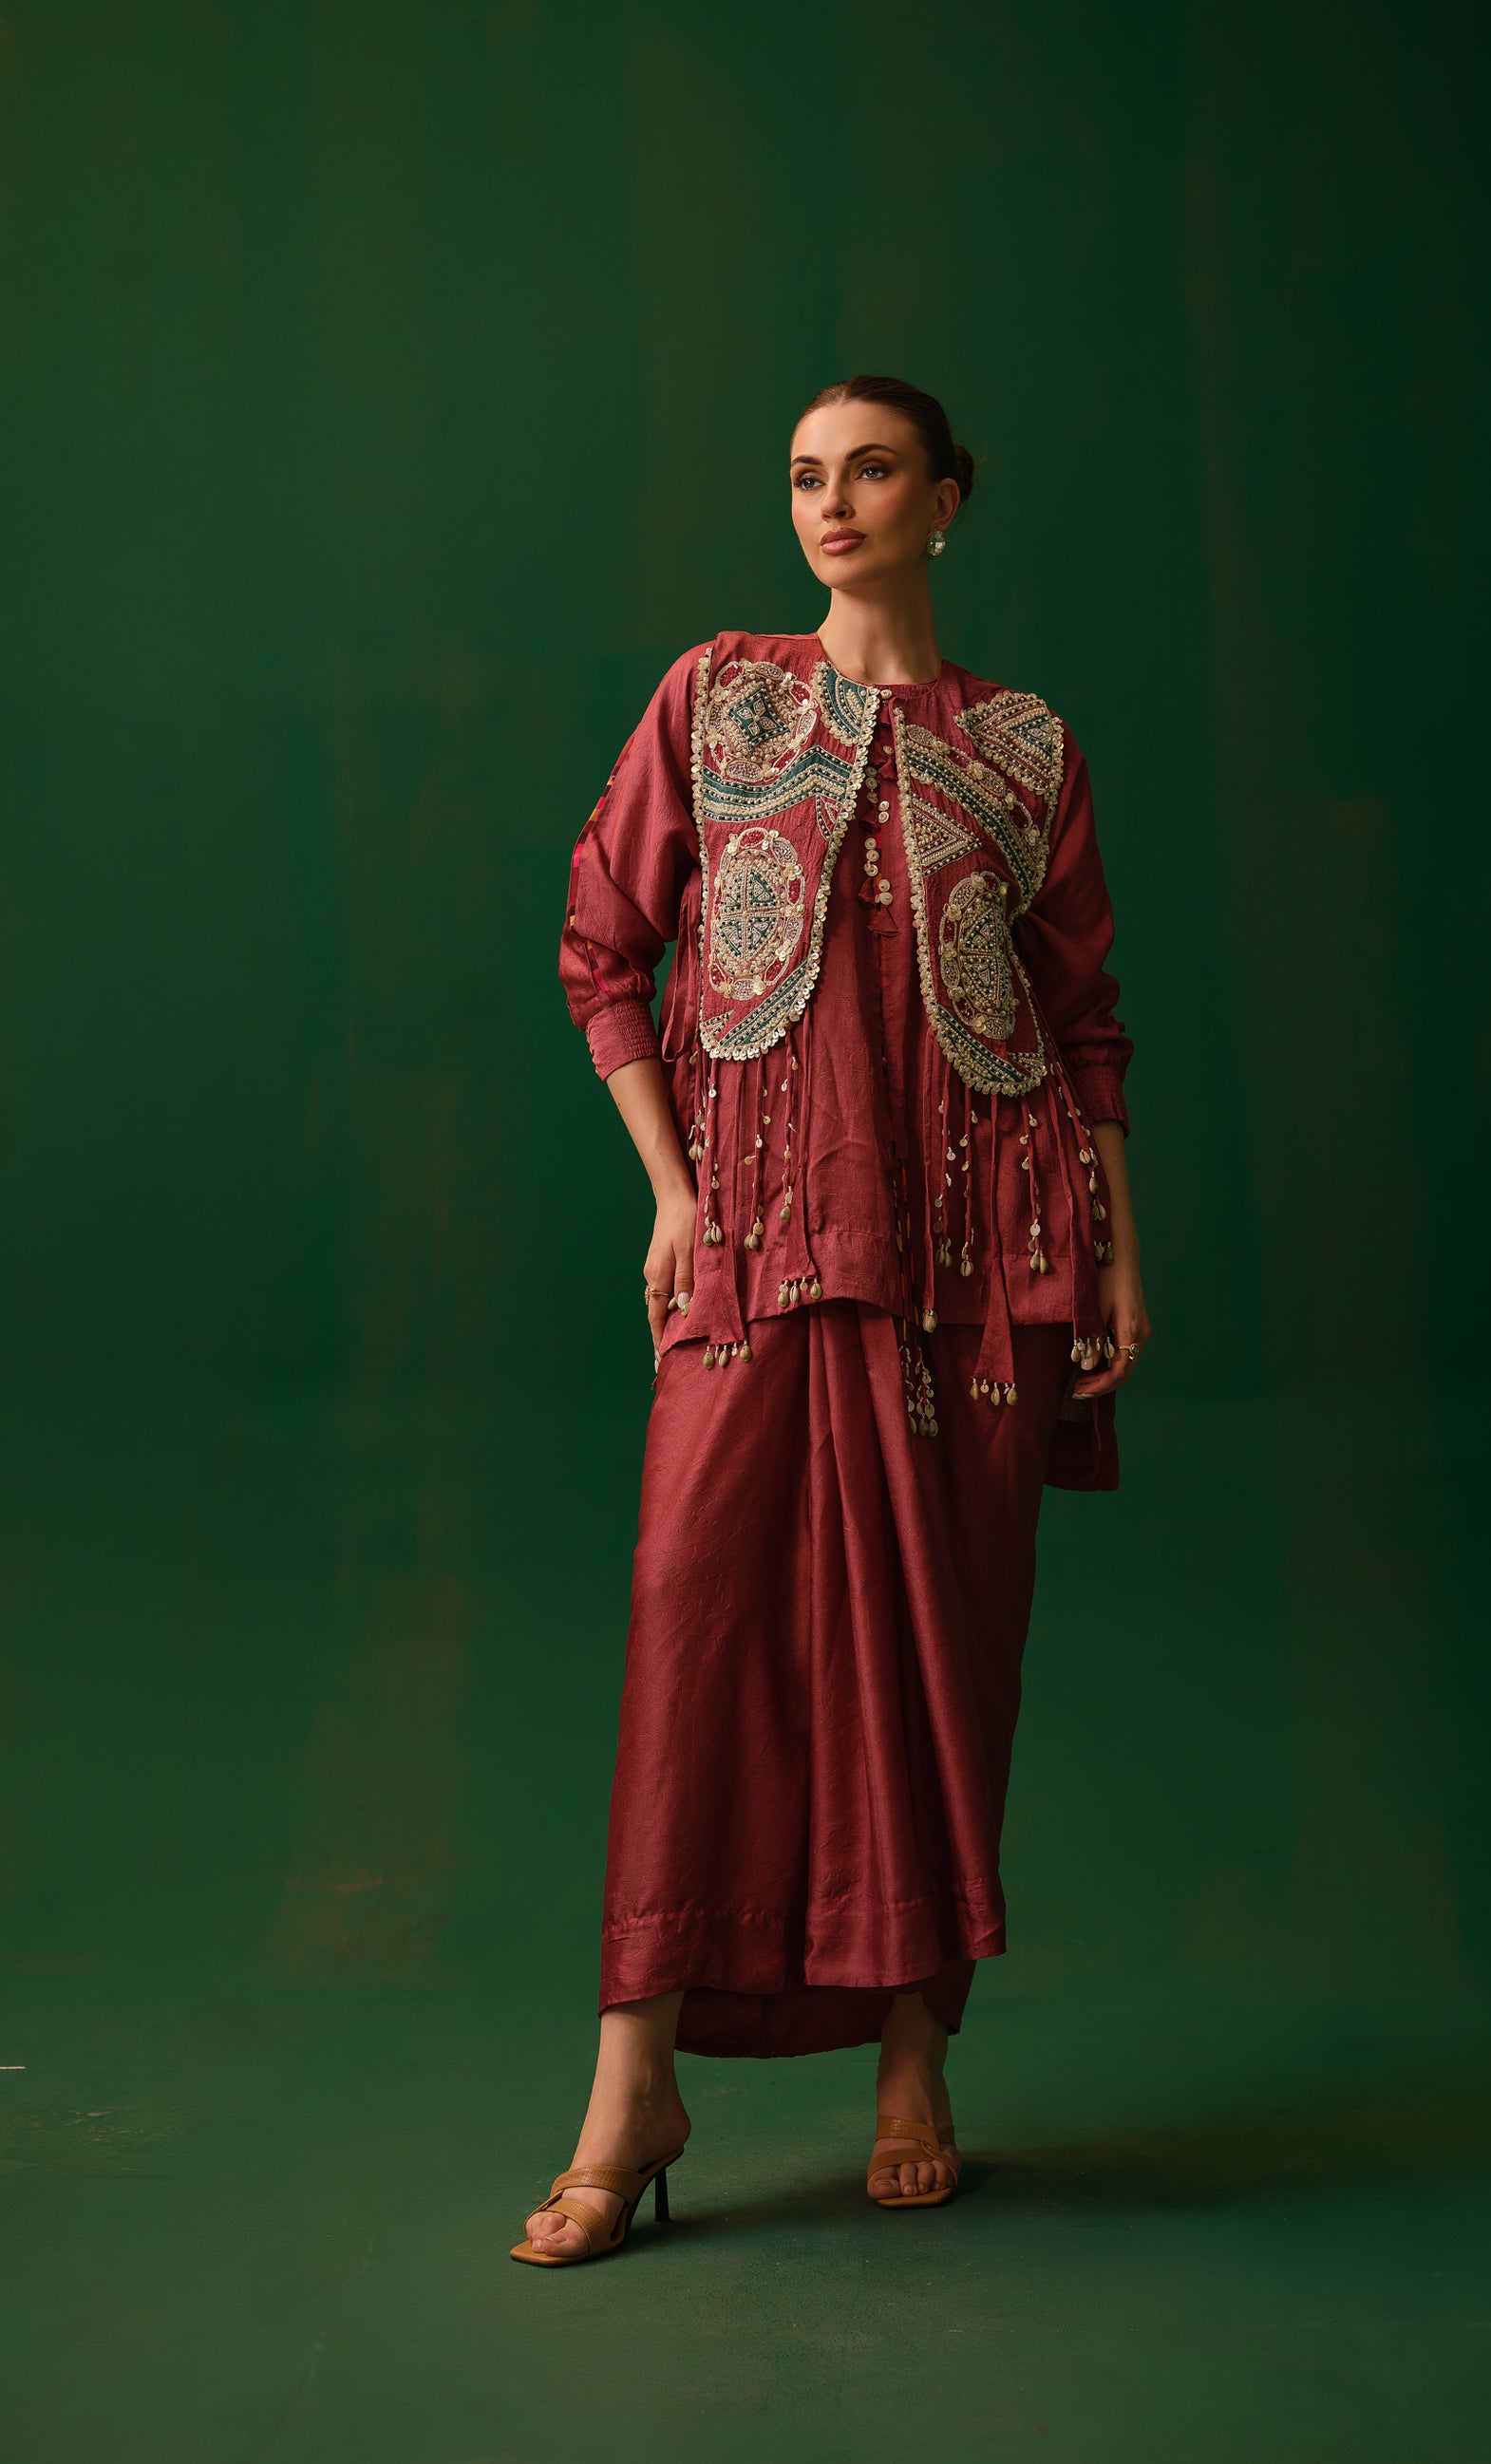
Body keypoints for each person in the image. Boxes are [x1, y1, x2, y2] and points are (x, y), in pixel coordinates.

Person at [511, 374, 1151, 2265]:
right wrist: (672, 1190)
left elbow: (1083, 1021)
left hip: (983, 1267)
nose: (831, 501)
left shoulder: (1023, 744)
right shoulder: (719, 698)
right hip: (760, 1245)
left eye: (870, 470)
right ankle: (633, 2082)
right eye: (805, 475)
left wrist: (1119, 1250)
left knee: (946, 1652)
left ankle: (911, 2058)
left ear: (947, 496)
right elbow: (602, 949)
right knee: (693, 1624)